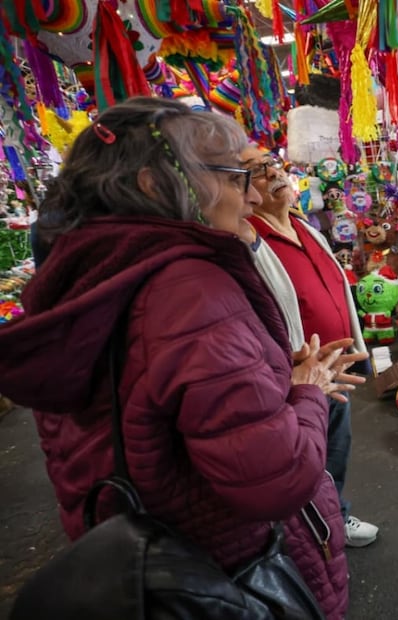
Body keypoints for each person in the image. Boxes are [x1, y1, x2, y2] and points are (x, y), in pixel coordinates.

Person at [0, 97, 359, 618]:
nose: (254, 195)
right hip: (227, 570)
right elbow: (276, 478)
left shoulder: (101, 269)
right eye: (237, 177)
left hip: (158, 557)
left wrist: (271, 377)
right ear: (154, 184)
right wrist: (306, 391)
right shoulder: (188, 291)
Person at [240, 145, 379, 548]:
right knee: (304, 459)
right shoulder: (250, 241)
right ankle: (314, 535)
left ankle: (335, 517)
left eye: (273, 164)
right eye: (259, 170)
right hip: (297, 376)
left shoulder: (304, 228)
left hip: (333, 368)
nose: (274, 173)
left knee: (334, 451)